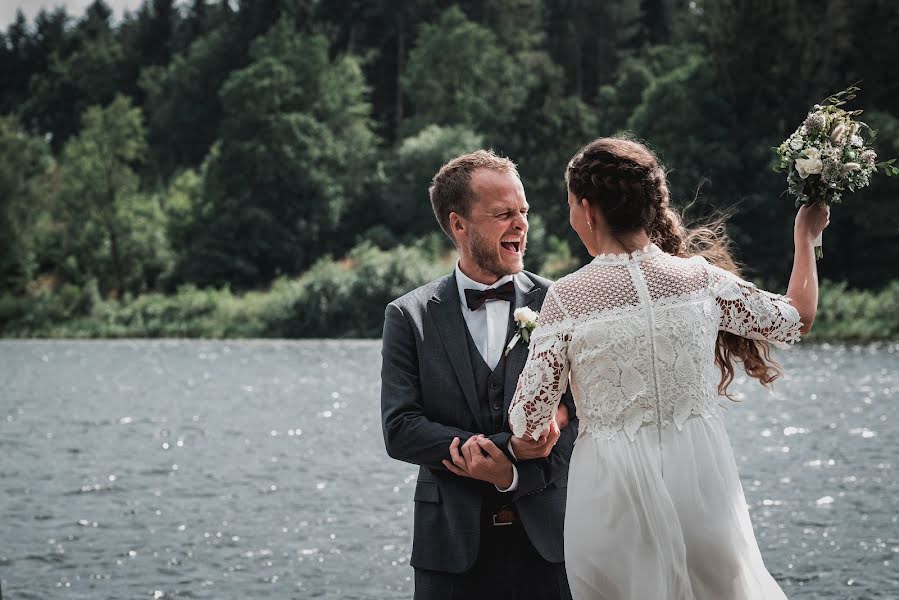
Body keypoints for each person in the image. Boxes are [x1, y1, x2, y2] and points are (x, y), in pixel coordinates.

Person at [508, 137, 830, 600]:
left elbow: (525, 421)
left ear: (588, 209)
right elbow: (796, 319)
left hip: (610, 495)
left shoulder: (567, 298)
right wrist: (805, 237)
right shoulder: (701, 279)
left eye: (570, 206)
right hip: (703, 485)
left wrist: (540, 433)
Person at [381, 150, 577, 600]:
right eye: (503, 214)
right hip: (448, 552)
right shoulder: (408, 316)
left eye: (523, 212)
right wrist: (507, 448)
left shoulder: (561, 303)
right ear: (459, 225)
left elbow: (579, 418)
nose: (521, 224)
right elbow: (400, 430)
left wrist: (512, 475)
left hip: (550, 544)